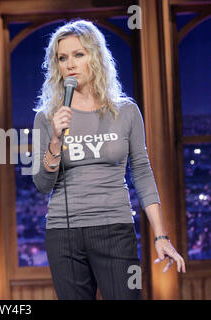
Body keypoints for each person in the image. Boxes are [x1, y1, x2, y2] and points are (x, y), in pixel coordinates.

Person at [32, 20, 186, 300]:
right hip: (64, 234)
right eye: (62, 58)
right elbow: (42, 184)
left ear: (96, 56)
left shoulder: (125, 112)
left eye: (79, 54)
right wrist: (55, 140)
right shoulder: (46, 117)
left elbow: (142, 172)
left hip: (115, 230)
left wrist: (161, 236)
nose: (70, 64)